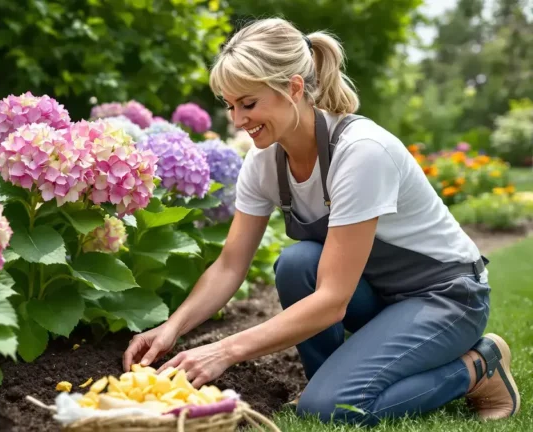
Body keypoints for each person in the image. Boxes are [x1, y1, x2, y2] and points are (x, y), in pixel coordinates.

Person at [123, 17, 520, 425]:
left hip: (445, 298)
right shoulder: (264, 163)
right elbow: (230, 264)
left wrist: (224, 350)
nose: (237, 120)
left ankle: (478, 366)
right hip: (379, 295)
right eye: (230, 106)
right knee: (297, 264)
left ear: (294, 88)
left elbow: (332, 301)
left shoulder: (361, 153)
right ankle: (330, 384)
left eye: (248, 103)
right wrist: (173, 327)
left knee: (330, 410)